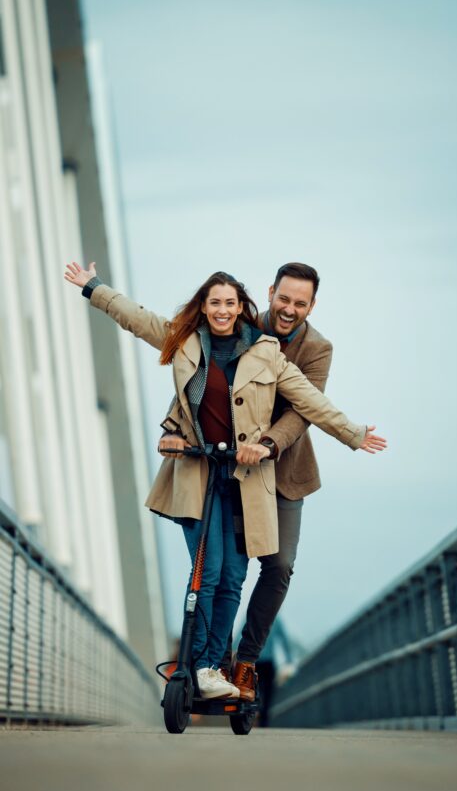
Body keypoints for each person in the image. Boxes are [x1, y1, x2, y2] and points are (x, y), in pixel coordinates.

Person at [64, 262, 386, 700]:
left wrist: (351, 433)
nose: (223, 310)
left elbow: (308, 403)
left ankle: (231, 663)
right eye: (215, 302)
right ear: (266, 295)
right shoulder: (189, 339)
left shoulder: (271, 348)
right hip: (200, 469)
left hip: (258, 471)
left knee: (249, 571)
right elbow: (141, 320)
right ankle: (200, 666)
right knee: (208, 570)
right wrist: (94, 288)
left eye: (229, 303)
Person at [223, 262, 336, 702]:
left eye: (300, 303)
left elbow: (305, 410)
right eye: (283, 299)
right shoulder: (241, 325)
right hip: (230, 463)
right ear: (271, 292)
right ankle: (213, 658)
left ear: (312, 305)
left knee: (280, 565)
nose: (289, 309)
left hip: (285, 469)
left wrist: (269, 443)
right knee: (227, 565)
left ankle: (247, 661)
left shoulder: (319, 348)